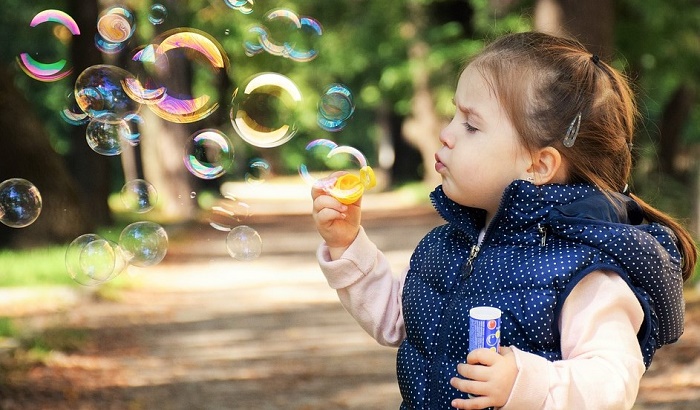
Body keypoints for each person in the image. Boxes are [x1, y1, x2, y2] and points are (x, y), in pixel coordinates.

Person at [311, 31, 697, 410]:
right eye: (453, 114)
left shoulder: (583, 270)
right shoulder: (447, 244)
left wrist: (525, 383)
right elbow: (400, 318)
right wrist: (348, 245)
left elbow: (612, 380)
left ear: (538, 164)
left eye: (471, 125)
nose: (445, 134)